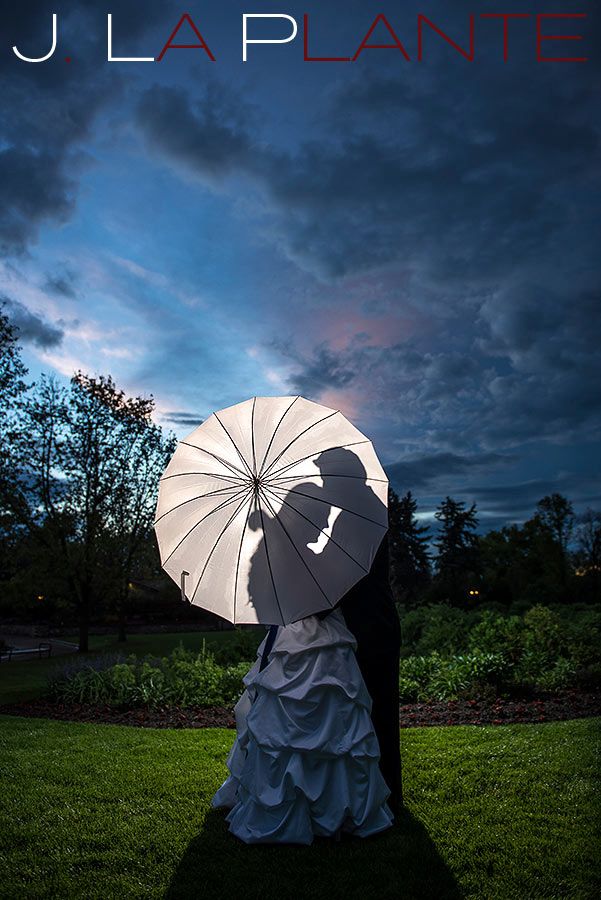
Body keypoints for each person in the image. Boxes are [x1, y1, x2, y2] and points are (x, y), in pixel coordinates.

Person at [211, 481, 395, 844]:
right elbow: (312, 599)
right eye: (321, 514)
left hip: (310, 638)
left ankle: (321, 802)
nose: (326, 519)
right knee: (311, 722)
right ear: (304, 513)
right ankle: (324, 805)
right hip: (307, 638)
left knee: (321, 721)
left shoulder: (303, 546)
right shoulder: (293, 548)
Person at [314, 449, 403, 815]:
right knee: (368, 714)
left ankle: (386, 798)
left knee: (378, 714)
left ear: (342, 478)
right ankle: (378, 796)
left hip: (371, 627)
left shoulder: (359, 514)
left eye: (325, 479)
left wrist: (315, 606)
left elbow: (346, 575)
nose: (323, 486)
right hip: (367, 622)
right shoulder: (356, 510)